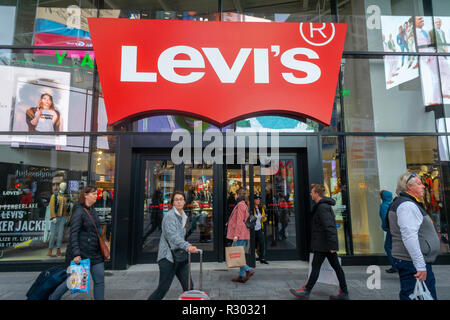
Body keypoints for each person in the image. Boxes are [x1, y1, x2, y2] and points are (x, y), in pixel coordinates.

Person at [290, 184, 349, 300]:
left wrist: (332, 245)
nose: (310, 194)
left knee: (320, 267)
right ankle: (344, 292)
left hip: (325, 245)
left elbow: (330, 227)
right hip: (324, 244)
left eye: (312, 192)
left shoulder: (322, 207)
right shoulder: (321, 206)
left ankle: (307, 291)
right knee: (328, 267)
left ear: (317, 194)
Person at [387, 172, 441, 300]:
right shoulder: (407, 205)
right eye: (419, 183)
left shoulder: (408, 203)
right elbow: (409, 236)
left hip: (412, 261)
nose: (423, 186)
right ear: (409, 187)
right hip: (412, 262)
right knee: (415, 295)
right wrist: (420, 265)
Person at [49, 186, 105, 300]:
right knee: (74, 281)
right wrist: (76, 254)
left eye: (96, 194)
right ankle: (53, 297)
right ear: (85, 195)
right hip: (82, 253)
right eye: (93, 194)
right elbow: (73, 233)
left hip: (95, 252)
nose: (96, 196)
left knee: (100, 280)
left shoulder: (92, 210)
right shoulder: (79, 211)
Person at [148, 191, 198, 300]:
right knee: (162, 289)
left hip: (180, 256)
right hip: (168, 258)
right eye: (176, 200)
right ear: (173, 203)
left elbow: (181, 235)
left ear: (185, 201)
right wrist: (187, 246)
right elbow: (173, 236)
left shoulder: (183, 216)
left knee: (189, 287)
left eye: (181, 199)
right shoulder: (170, 216)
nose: (179, 201)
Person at [226, 188, 255, 283]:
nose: (234, 196)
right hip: (242, 233)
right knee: (240, 254)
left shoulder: (240, 205)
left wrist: (236, 235)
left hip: (240, 234)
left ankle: (248, 270)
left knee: (237, 255)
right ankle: (242, 276)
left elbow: (239, 222)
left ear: (238, 195)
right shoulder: (243, 204)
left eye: (235, 194)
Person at [47, 182, 70, 257]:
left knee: (60, 234)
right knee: (53, 234)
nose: (64, 187)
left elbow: (66, 208)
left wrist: (66, 216)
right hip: (56, 217)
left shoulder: (65, 196)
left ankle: (58, 249)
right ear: (60, 187)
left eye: (65, 186)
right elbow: (52, 206)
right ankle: (50, 249)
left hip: (63, 217)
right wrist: (53, 216)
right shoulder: (54, 195)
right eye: (63, 186)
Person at [379, 190, 397, 273]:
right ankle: (396, 264)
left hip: (390, 229)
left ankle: (395, 265)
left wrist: (386, 227)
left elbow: (384, 218)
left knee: (388, 247)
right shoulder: (393, 204)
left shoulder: (384, 205)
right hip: (395, 229)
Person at [254, 194, 268, 264]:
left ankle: (262, 258)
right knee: (254, 244)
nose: (258, 200)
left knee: (262, 243)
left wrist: (264, 217)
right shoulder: (251, 208)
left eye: (259, 199)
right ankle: (254, 258)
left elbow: (263, 220)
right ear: (253, 200)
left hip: (259, 228)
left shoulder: (261, 208)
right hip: (253, 229)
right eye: (257, 199)